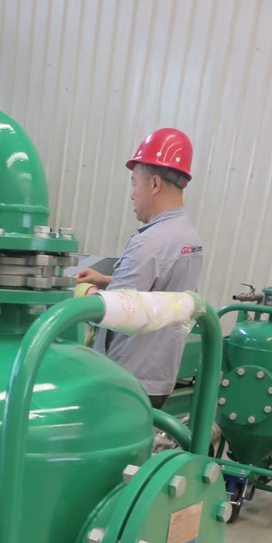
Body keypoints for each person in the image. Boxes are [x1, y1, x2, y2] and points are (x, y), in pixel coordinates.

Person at [75, 128, 203, 408]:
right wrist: (105, 279)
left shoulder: (149, 243)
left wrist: (87, 293)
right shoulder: (189, 238)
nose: (132, 195)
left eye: (134, 184)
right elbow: (158, 291)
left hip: (124, 381)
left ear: (155, 184)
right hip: (159, 378)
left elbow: (115, 313)